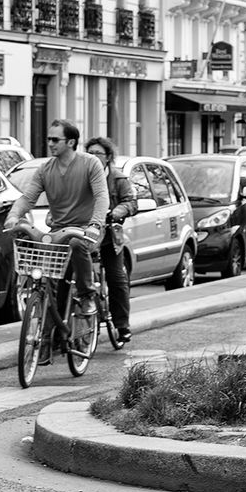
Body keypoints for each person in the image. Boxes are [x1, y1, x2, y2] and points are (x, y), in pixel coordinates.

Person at [5, 120, 109, 315]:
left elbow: (102, 196)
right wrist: (13, 217)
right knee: (48, 277)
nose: (50, 143)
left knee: (77, 245)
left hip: (86, 230)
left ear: (70, 142)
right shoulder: (45, 169)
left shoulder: (90, 163)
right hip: (58, 231)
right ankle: (48, 330)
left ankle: (87, 295)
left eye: (55, 139)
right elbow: (28, 198)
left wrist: (95, 224)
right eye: (48, 139)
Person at [85, 137, 138, 344]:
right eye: (89, 153)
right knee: (73, 278)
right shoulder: (82, 176)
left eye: (97, 153)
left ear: (108, 157)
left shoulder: (118, 179)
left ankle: (122, 326)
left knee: (117, 279)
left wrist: (117, 211)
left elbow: (131, 203)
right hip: (85, 235)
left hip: (109, 238)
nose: (93, 157)